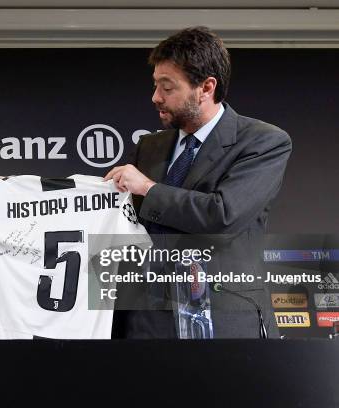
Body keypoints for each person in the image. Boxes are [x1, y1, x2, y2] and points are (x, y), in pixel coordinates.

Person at [105, 26, 292, 338]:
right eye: (155, 85)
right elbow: (105, 209)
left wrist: (148, 188)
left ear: (206, 87)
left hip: (224, 324)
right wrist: (12, 195)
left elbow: (222, 216)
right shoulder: (149, 147)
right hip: (145, 323)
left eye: (167, 88)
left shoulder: (264, 142)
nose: (155, 98)